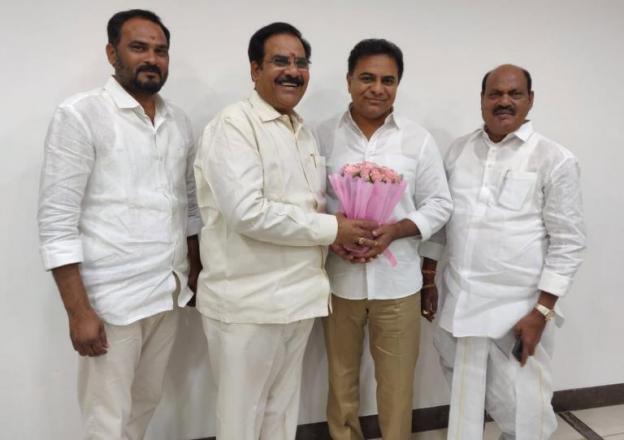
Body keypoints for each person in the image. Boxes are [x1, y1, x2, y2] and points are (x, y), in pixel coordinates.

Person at [194, 22, 378, 440]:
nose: (293, 71)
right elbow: (246, 213)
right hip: (248, 305)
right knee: (241, 422)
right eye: (280, 61)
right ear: (255, 69)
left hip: (298, 299)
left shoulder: (302, 131)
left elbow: (307, 209)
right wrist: (332, 229)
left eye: (301, 62)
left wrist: (340, 238)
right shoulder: (234, 125)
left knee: (280, 418)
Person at [37, 9, 201, 439]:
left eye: (161, 51)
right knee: (106, 418)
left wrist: (194, 272)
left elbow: (189, 208)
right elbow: (57, 221)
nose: (152, 59)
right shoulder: (81, 115)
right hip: (111, 300)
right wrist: (79, 312)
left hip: (166, 292)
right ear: (112, 54)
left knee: (144, 405)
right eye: (139, 48)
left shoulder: (178, 122)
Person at [428, 64, 586, 439]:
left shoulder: (554, 158)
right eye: (495, 93)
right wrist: (428, 276)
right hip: (459, 300)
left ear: (530, 100)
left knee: (526, 407)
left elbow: (568, 241)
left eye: (514, 94)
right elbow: (443, 220)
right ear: (482, 99)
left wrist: (542, 311)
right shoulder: (459, 151)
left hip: (518, 310)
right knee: (466, 396)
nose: (504, 101)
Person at [315, 38, 452, 440]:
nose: (377, 88)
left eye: (387, 80)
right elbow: (309, 198)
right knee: (340, 380)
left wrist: (395, 231)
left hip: (398, 284)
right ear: (349, 80)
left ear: (397, 85)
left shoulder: (418, 139)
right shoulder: (321, 135)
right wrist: (333, 234)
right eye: (367, 78)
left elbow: (440, 204)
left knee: (396, 384)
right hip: (339, 280)